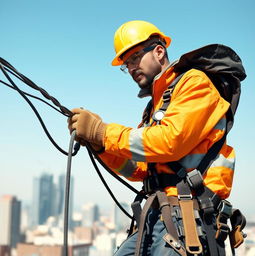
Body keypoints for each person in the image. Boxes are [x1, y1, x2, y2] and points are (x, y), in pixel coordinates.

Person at [68, 20, 241, 256]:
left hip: (190, 214)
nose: (130, 67)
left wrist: (103, 132)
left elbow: (171, 141)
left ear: (159, 51)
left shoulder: (194, 83)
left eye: (134, 58)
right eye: (126, 64)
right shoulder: (155, 107)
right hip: (157, 214)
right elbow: (139, 170)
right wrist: (101, 146)